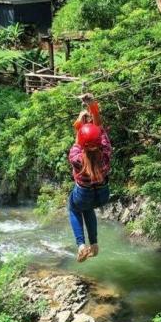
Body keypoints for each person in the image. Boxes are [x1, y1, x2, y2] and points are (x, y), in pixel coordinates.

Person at [68, 94, 112, 262]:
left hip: (83, 194)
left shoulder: (77, 158)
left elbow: (79, 141)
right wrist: (93, 107)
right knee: (88, 208)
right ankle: (94, 244)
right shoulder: (106, 153)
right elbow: (99, 129)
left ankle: (81, 245)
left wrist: (80, 123)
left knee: (73, 208)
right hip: (102, 195)